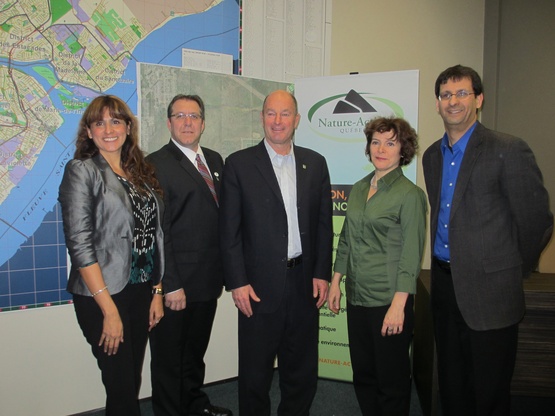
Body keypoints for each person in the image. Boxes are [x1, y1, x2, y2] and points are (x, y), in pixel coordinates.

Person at [422, 64, 553, 416]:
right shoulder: (432, 155)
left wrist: (510, 267)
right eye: (446, 95)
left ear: (478, 99)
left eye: (462, 93)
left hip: (492, 291)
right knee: (451, 383)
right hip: (445, 286)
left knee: (490, 391)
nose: (453, 101)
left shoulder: (508, 149)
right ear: (437, 103)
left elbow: (537, 220)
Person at [219, 90, 333, 416]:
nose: (278, 121)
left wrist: (322, 273)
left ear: (296, 120)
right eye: (271, 113)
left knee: (300, 371)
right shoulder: (239, 165)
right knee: (255, 375)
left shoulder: (316, 163)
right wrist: (237, 282)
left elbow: (324, 225)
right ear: (262, 118)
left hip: (303, 284)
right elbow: (229, 232)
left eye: (285, 114)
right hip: (256, 287)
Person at [58, 95, 165, 416]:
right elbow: (79, 244)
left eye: (116, 121)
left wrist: (157, 291)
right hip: (101, 293)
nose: (108, 129)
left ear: (128, 127)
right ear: (88, 132)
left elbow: (154, 235)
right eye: (99, 123)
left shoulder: (140, 172)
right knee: (120, 385)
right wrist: (109, 310)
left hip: (140, 290)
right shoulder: (82, 171)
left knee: (129, 379)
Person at [328, 116, 427, 416]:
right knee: (364, 374)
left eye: (390, 143)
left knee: (392, 379)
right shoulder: (358, 189)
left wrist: (400, 305)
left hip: (388, 301)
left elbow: (412, 255)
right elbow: (345, 239)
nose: (381, 149)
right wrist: (335, 282)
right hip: (357, 298)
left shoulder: (410, 196)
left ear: (403, 150)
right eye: (376, 142)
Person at [147, 94, 231, 416]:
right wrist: (170, 284)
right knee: (169, 358)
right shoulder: (156, 164)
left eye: (193, 116)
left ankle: (195, 405)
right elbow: (158, 229)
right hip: (176, 284)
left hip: (208, 280)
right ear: (169, 123)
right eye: (179, 116)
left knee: (195, 353)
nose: (187, 122)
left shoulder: (215, 159)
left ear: (203, 123)